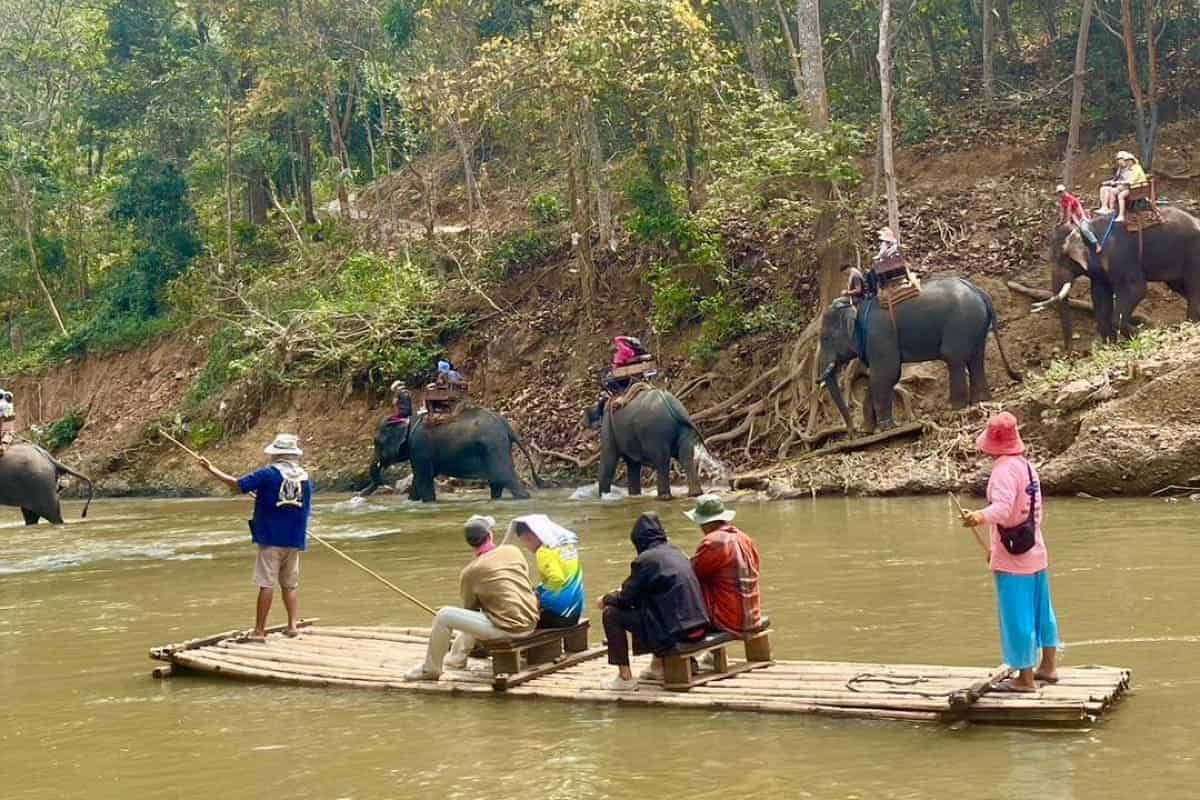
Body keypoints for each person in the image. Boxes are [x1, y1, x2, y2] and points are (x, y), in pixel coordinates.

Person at [960, 412, 1060, 692]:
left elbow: (1003, 510)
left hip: (1014, 556)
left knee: (1017, 616)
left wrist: (978, 517)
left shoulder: (1003, 471)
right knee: (1042, 610)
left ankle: (1025, 679)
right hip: (1035, 550)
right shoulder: (1027, 466)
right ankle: (1049, 666)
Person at [198, 433, 312, 642]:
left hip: (271, 539)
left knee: (266, 584)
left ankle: (259, 631)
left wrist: (210, 469)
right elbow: (302, 508)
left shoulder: (268, 475)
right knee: (290, 584)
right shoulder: (304, 479)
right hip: (294, 540)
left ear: (277, 455)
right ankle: (293, 626)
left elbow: (237, 485)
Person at [404, 515, 539, 681]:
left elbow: (469, 609)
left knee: (444, 615)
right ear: (490, 536)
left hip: (510, 629)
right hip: (531, 621)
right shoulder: (513, 551)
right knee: (480, 614)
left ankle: (431, 670)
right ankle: (456, 659)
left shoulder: (470, 572)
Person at [599, 512, 709, 692]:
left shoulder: (645, 560)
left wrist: (605, 599)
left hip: (678, 634)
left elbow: (626, 598)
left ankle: (624, 678)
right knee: (648, 601)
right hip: (700, 628)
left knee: (611, 613)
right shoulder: (677, 552)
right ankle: (662, 665)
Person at [685, 495, 763, 637]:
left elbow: (692, 575)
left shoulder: (713, 542)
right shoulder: (744, 538)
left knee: (685, 585)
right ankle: (711, 655)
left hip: (729, 621)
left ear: (706, 523)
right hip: (753, 616)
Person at [509, 515, 584, 628]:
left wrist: (539, 596)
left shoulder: (543, 551)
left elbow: (557, 579)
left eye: (525, 541)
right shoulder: (566, 545)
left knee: (518, 621)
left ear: (530, 537)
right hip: (575, 613)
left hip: (559, 616)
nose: (526, 546)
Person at [1055, 184, 1100, 254]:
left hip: (1080, 216)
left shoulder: (1070, 199)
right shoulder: (1062, 201)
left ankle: (1097, 244)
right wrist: (1060, 222)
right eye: (1059, 192)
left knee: (1084, 230)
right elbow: (1062, 211)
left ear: (1064, 191)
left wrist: (1069, 221)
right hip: (1074, 218)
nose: (1060, 194)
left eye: (1061, 192)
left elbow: (1070, 210)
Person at [1114, 151, 1149, 223]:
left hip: (1138, 189)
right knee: (1117, 190)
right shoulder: (1131, 169)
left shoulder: (1136, 168)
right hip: (1133, 188)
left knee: (1121, 195)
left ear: (1132, 161)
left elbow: (1131, 181)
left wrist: (1120, 182)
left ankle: (1121, 215)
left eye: (1128, 161)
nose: (1127, 163)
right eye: (1126, 161)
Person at [0, 388, 15, 458]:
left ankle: (3, 446)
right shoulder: (9, 404)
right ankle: (4, 444)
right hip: (7, 424)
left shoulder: (3, 404)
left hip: (4, 422)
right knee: (8, 432)